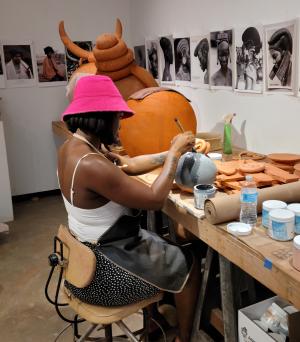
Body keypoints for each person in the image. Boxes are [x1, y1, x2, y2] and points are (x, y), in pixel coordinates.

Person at [57, 75, 200, 342]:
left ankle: (155, 322)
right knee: (189, 264)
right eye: (116, 118)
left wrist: (169, 152)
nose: (120, 125)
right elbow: (155, 199)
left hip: (84, 258)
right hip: (101, 275)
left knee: (162, 243)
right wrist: (174, 156)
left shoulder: (74, 147)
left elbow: (129, 165)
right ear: (101, 117)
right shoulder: (92, 164)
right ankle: (184, 337)